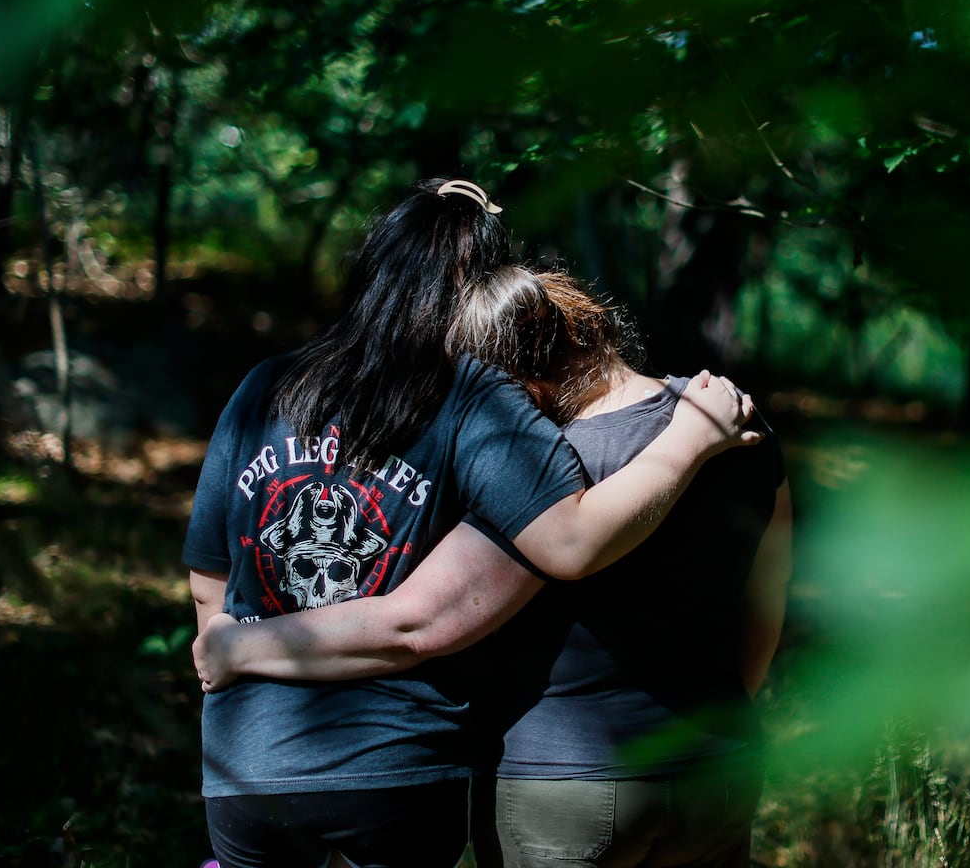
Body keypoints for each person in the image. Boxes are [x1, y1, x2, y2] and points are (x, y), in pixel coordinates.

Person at [183, 178, 758, 868]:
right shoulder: (470, 395)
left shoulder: (266, 387)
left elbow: (209, 581)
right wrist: (687, 436)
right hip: (396, 763)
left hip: (247, 763)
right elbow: (570, 540)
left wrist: (232, 652)